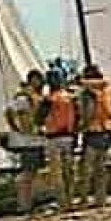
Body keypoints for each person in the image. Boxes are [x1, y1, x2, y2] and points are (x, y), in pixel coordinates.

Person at [76, 64, 111, 208]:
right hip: (107, 132)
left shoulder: (86, 93)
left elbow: (87, 115)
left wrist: (78, 128)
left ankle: (84, 199)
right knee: (101, 168)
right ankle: (101, 198)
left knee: (86, 169)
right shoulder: (109, 90)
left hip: (92, 133)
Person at [3, 69, 47, 216]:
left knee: (33, 173)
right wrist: (17, 128)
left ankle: (29, 202)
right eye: (38, 80)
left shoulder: (36, 97)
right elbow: (9, 112)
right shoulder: (23, 98)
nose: (41, 83)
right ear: (32, 80)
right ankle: (23, 204)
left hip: (37, 141)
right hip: (28, 143)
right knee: (27, 174)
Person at [36, 69, 79, 211]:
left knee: (57, 173)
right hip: (68, 137)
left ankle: (63, 204)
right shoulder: (71, 97)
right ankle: (70, 199)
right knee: (69, 172)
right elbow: (77, 118)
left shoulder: (48, 99)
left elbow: (38, 119)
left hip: (53, 138)